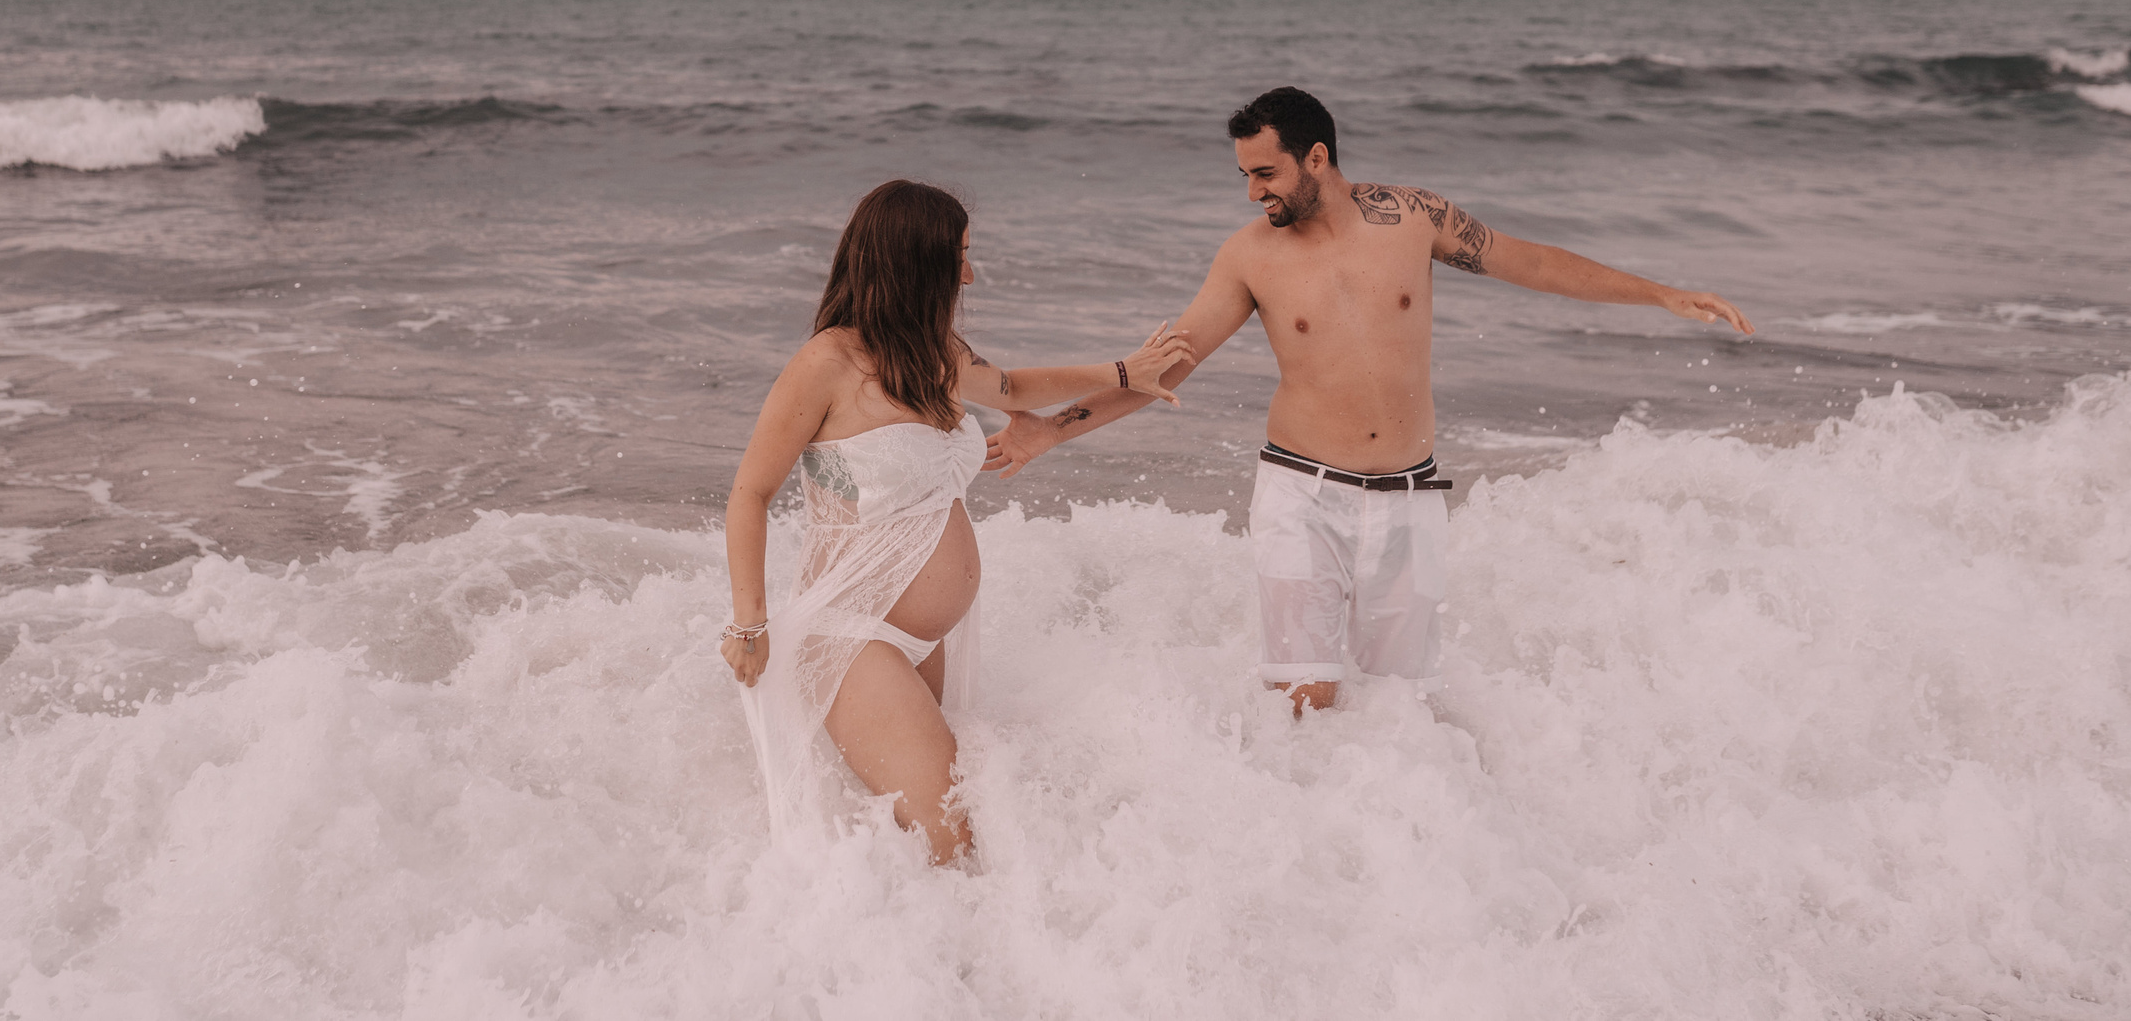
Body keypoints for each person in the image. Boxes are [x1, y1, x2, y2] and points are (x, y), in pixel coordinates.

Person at [982, 86, 1754, 718]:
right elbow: (1165, 369)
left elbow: (1534, 262)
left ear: (1317, 157)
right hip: (1301, 494)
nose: (1255, 192)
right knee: (1304, 700)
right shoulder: (1249, 255)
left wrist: (1661, 294)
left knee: (1398, 711)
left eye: (1266, 173)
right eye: (1245, 176)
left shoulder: (1413, 217)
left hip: (1409, 497)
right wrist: (1051, 429)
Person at [720, 179, 1193, 861]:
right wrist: (748, 621)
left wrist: (1128, 370)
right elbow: (750, 492)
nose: (970, 272)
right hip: (853, 635)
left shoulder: (935, 353)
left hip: (923, 641)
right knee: (957, 835)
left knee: (931, 843)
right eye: (959, 255)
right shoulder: (828, 362)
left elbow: (1017, 389)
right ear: (915, 260)